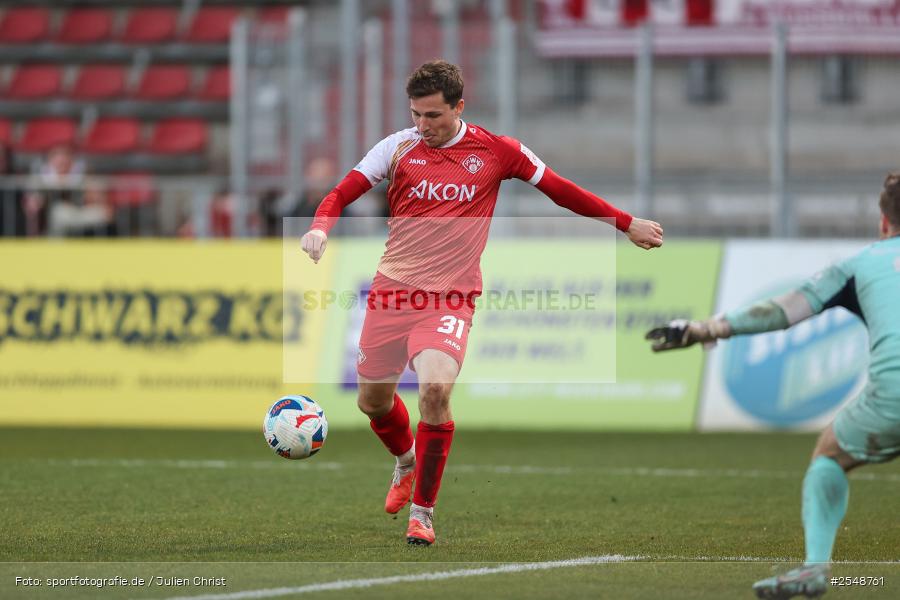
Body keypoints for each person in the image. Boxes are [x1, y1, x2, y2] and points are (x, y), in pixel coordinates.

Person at [301, 60, 664, 546]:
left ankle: (423, 514)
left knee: (434, 392)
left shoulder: (497, 151)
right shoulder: (397, 147)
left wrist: (625, 222)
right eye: (416, 114)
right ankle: (405, 460)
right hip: (392, 293)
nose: (422, 126)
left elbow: (561, 191)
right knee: (373, 402)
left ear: (458, 107)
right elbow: (340, 193)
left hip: (451, 297)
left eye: (432, 115)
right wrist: (320, 227)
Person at [645, 173, 900, 599]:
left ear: (882, 221)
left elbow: (782, 312)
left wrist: (705, 329)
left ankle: (816, 570)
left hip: (892, 398)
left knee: (830, 456)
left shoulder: (860, 264)